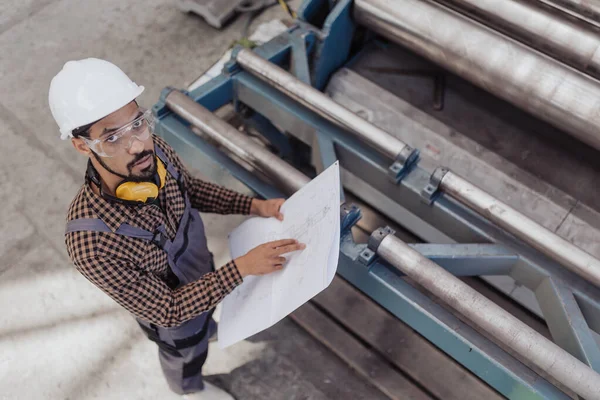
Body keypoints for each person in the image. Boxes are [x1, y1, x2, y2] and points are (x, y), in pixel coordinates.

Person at [49, 58, 305, 399]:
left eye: (138, 124)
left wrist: (255, 205)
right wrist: (242, 268)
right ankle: (189, 390)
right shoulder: (91, 242)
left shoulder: (157, 156)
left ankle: (209, 327)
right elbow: (168, 311)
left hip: (206, 273)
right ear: (83, 145)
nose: (137, 145)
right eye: (113, 137)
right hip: (176, 320)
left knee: (206, 322)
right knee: (186, 353)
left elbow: (192, 191)